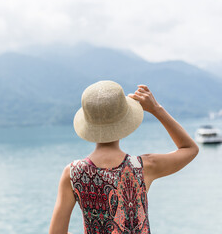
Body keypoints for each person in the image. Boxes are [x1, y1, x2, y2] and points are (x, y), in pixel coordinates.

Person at [49, 80, 199, 234]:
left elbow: (55, 232)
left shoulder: (73, 173)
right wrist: (156, 109)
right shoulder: (143, 167)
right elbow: (190, 148)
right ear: (125, 120)